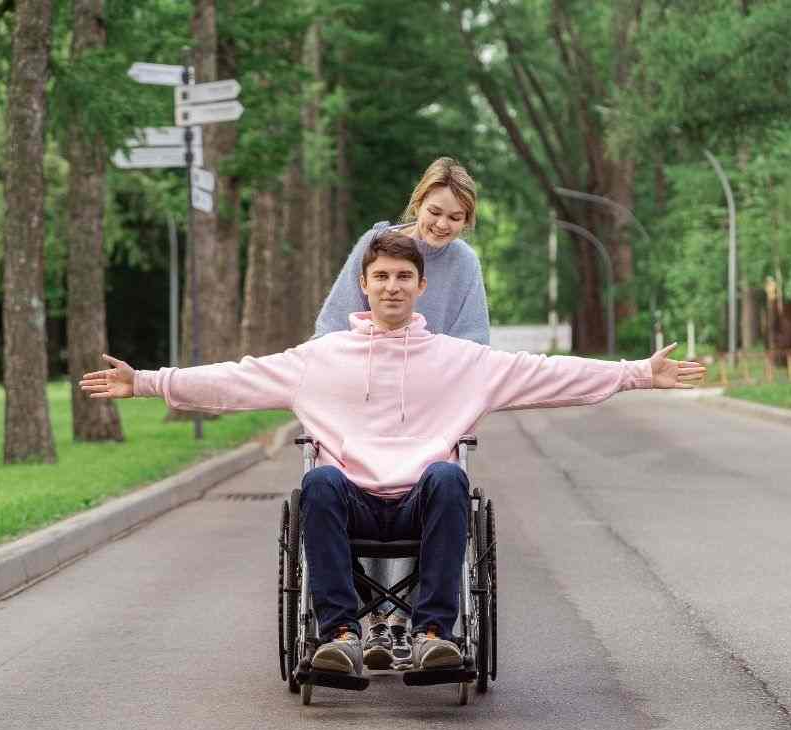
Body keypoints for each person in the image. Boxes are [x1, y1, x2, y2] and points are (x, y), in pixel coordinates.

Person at [79, 231, 704, 678]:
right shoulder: (319, 360)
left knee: (449, 476)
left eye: (404, 277)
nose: (393, 286)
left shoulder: (463, 362)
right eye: (381, 276)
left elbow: (546, 373)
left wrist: (637, 374)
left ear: (421, 287)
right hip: (349, 504)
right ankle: (341, 636)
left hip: (422, 505)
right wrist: (149, 381)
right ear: (364, 284)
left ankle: (434, 633)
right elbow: (237, 379)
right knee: (318, 483)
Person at [315, 156, 488, 669]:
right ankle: (365, 621)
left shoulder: (465, 265)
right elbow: (330, 326)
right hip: (364, 390)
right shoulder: (377, 250)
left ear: (466, 221)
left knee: (432, 476)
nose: (442, 225)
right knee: (353, 475)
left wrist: (442, 376)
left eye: (455, 218)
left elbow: (476, 340)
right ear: (419, 203)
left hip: (431, 396)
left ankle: (416, 624)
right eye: (436, 212)